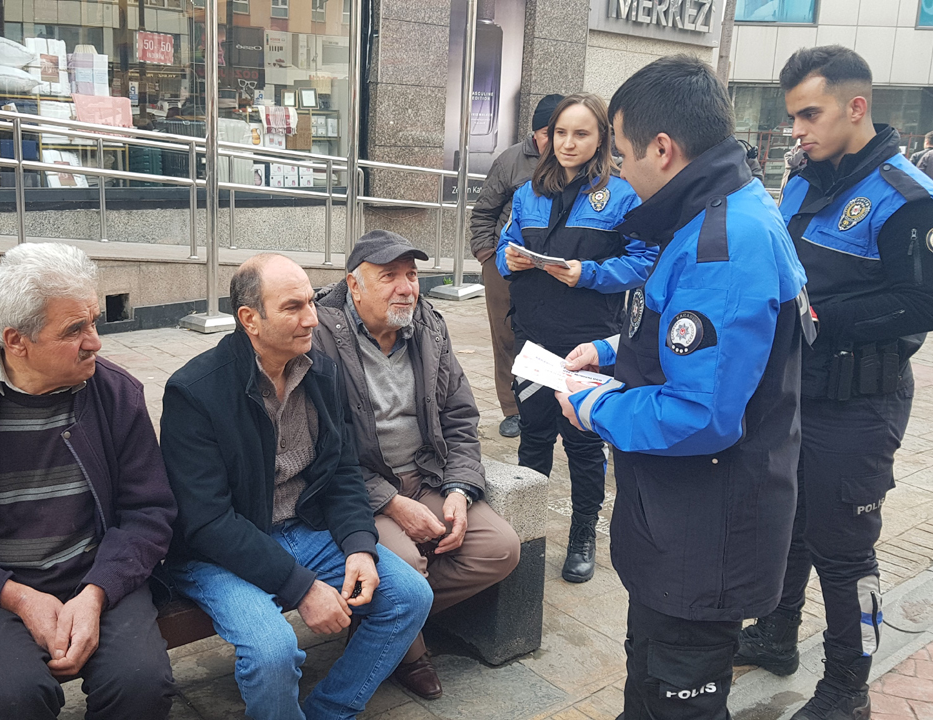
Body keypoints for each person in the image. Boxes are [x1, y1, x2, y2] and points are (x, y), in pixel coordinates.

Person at [556, 55, 809, 720]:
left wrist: (596, 404)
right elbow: (696, 339)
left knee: (679, 701)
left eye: (621, 152)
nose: (615, 170)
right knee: (647, 683)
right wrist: (613, 349)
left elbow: (701, 412)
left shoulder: (723, 242)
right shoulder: (706, 218)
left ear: (663, 150)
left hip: (706, 534)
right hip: (676, 523)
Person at [735, 46, 933, 720]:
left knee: (849, 559)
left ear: (856, 107)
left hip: (861, 406)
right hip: (799, 395)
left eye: (810, 114)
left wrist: (816, 318)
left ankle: (849, 687)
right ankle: (777, 635)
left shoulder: (911, 200)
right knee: (791, 524)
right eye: (792, 115)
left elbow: (925, 309)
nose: (796, 129)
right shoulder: (804, 178)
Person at [0, 243, 179, 720]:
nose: (96, 342)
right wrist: (15, 596)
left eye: (95, 322)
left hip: (96, 574)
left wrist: (97, 591)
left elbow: (149, 512)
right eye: (75, 330)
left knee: (141, 684)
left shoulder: (116, 394)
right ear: (16, 341)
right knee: (12, 697)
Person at [160, 253, 432, 720]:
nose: (312, 318)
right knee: (272, 651)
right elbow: (206, 521)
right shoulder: (195, 391)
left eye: (312, 301)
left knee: (410, 596)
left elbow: (343, 471)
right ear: (250, 319)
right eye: (293, 307)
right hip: (217, 553)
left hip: (301, 529)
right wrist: (302, 587)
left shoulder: (320, 372)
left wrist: (360, 547)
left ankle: (329, 712)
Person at [312, 231, 521, 700]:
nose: (406, 288)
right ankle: (409, 651)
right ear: (353, 285)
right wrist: (390, 503)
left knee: (501, 549)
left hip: (427, 475)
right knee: (405, 564)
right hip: (358, 487)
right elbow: (319, 447)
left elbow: (461, 416)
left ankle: (380, 623)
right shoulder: (319, 337)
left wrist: (460, 490)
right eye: (389, 276)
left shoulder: (428, 325)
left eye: (412, 275)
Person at [496, 93, 656, 584]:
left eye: (581, 133)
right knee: (534, 438)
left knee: (584, 445)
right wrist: (511, 259)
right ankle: (523, 535)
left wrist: (589, 272)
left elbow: (645, 261)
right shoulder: (529, 192)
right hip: (534, 339)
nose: (568, 143)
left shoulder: (623, 195)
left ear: (602, 138)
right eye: (561, 132)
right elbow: (503, 246)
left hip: (588, 345)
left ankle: (584, 533)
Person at [469, 93, 564, 438]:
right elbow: (484, 212)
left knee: (546, 336)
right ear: (534, 133)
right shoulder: (510, 161)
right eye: (547, 133)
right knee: (506, 337)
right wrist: (486, 256)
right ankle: (511, 409)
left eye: (562, 132)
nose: (554, 142)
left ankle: (550, 404)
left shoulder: (575, 165)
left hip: (551, 269)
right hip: (504, 264)